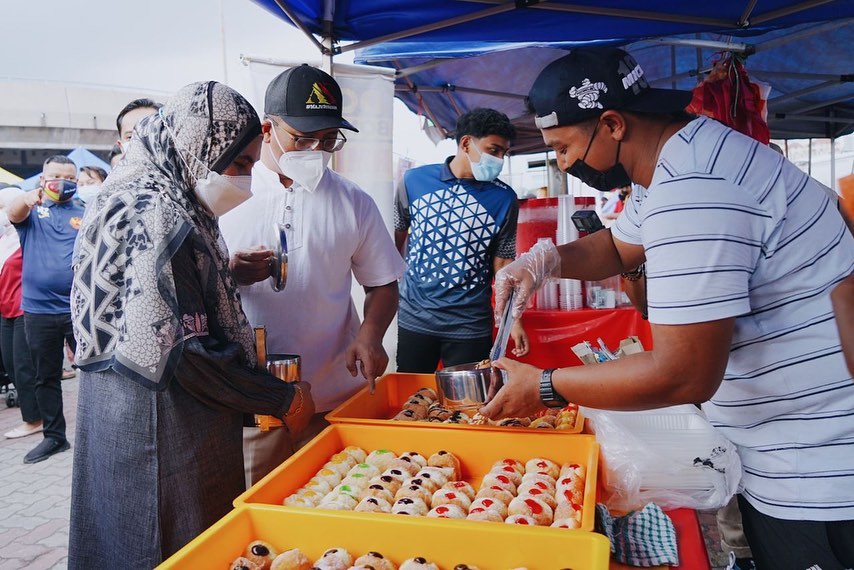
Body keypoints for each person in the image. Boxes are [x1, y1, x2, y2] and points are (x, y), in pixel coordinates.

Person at [485, 47, 854, 570]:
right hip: (793, 444)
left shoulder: (695, 190)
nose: (563, 164)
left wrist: (545, 387)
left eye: (563, 148)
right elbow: (618, 247)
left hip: (819, 470)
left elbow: (683, 374)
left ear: (611, 124)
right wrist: (541, 262)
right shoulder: (685, 156)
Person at [67, 81, 314, 568]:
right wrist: (281, 397)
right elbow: (181, 353)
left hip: (117, 406)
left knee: (123, 534)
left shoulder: (133, 191)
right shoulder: (158, 212)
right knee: (168, 541)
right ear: (197, 146)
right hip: (161, 421)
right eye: (239, 164)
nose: (244, 179)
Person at [220, 64, 404, 485]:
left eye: (328, 140)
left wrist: (370, 335)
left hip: (332, 397)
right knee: (256, 510)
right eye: (301, 138)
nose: (316, 150)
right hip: (251, 402)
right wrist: (228, 272)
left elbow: (382, 282)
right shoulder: (229, 192)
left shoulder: (353, 201)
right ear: (266, 130)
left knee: (336, 506)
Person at [393, 108, 528, 373]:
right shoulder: (414, 181)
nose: (499, 159)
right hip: (415, 318)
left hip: (470, 325)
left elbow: (503, 264)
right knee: (412, 401)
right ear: (466, 143)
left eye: (504, 153)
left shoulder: (504, 198)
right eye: (494, 149)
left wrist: (513, 320)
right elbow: (395, 241)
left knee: (468, 406)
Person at [6, 155, 83, 463]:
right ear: (42, 179)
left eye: (70, 178)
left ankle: (99, 435)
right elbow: (13, 212)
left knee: (94, 373)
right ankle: (54, 437)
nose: (62, 182)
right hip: (38, 311)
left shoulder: (84, 212)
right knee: (45, 376)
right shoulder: (32, 211)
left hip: (79, 309)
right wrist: (26, 199)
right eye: (55, 176)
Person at [0, 185, 40, 440]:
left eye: (3, 207)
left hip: (24, 308)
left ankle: (35, 419)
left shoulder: (28, 236)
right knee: (12, 366)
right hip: (6, 310)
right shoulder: (5, 241)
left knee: (24, 368)